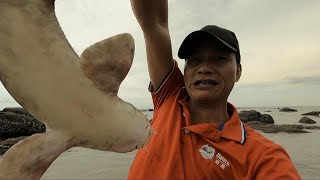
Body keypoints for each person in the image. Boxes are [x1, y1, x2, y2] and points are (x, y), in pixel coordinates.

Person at [128, 0, 302, 179]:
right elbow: (154, 22)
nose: (204, 68)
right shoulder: (169, 97)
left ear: (238, 71)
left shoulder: (264, 158)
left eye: (219, 59)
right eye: (194, 60)